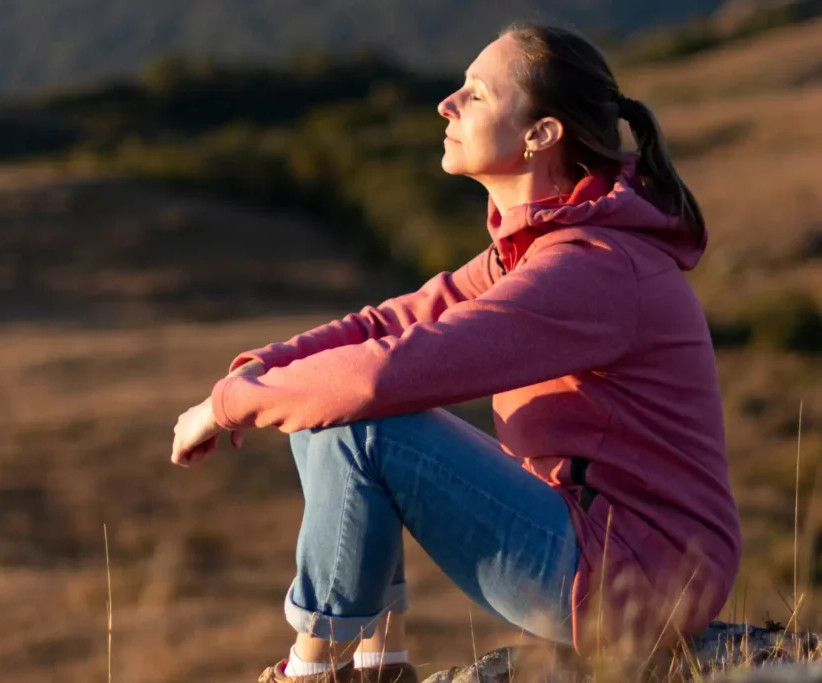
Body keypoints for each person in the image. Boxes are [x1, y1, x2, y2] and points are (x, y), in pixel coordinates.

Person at [170, 21, 742, 683]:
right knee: (318, 400)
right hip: (598, 551)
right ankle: (379, 659)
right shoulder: (540, 251)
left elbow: (387, 372)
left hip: (635, 584)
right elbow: (384, 325)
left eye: (475, 94)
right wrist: (253, 374)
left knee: (361, 417)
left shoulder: (593, 269)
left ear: (541, 135)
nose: (447, 103)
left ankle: (312, 670)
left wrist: (229, 407)